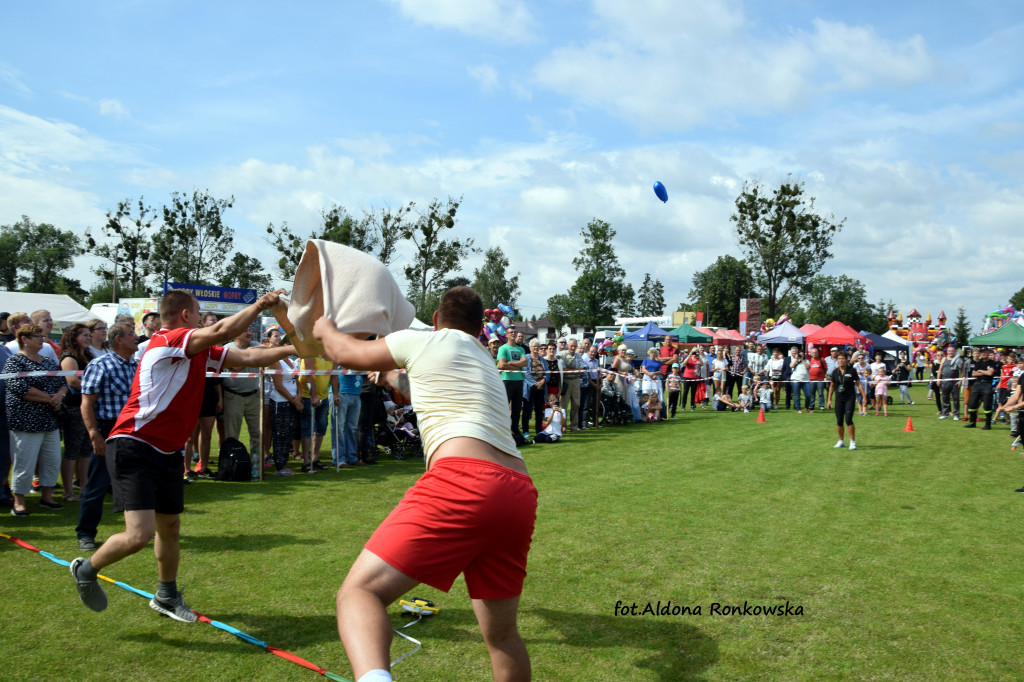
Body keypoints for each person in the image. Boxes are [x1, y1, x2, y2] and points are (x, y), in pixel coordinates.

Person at [312, 286, 537, 682]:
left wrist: (325, 327)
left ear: (436, 319)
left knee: (359, 593)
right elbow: (428, 388)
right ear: (480, 328)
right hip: (517, 491)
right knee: (502, 635)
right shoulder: (483, 359)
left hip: (463, 480)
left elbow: (342, 353)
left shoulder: (423, 341)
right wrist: (390, 378)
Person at [69, 288, 295, 622]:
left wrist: (300, 349)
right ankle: (86, 569)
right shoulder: (168, 340)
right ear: (186, 316)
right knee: (138, 535)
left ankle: (166, 595)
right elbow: (222, 331)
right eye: (198, 311)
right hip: (135, 443)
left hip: (168, 450)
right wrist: (261, 304)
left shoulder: (199, 350)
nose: (204, 319)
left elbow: (249, 358)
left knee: (170, 527)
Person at [76, 322, 139, 551]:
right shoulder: (100, 364)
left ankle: (136, 531)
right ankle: (85, 533)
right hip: (107, 429)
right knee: (97, 483)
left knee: (134, 483)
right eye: (131, 334)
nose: (136, 337)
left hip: (133, 430)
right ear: (118, 339)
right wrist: (94, 434)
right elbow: (87, 403)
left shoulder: (138, 366)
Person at [4, 323, 68, 516]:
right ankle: (19, 501)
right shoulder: (15, 362)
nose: (43, 339)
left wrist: (60, 396)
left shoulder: (48, 361)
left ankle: (47, 497)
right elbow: (20, 388)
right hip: (25, 421)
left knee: (52, 460)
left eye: (42, 336)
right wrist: (50, 398)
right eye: (38, 336)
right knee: (24, 462)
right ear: (24, 339)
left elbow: (62, 382)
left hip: (49, 420)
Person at [58, 323, 95, 501]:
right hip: (74, 408)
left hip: (88, 406)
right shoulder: (68, 357)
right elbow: (73, 382)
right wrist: (94, 390)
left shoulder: (88, 355)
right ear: (73, 337)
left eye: (89, 335)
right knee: (72, 449)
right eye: (84, 335)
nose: (88, 338)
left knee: (86, 449)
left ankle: (84, 487)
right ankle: (68, 491)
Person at [222, 329, 264, 461]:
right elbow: (237, 366)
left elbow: (270, 354)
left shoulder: (256, 345)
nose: (249, 333)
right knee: (232, 435)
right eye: (244, 330)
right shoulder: (228, 349)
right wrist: (253, 356)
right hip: (233, 397)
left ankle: (256, 464)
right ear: (236, 334)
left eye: (250, 330)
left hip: (254, 397)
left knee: (257, 433)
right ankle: (232, 464)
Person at [827, 351, 867, 450]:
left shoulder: (852, 370)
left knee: (848, 419)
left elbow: (858, 384)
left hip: (850, 398)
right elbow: (832, 387)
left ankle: (852, 441)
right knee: (839, 420)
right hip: (839, 399)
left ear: (846, 360)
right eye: (839, 359)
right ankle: (841, 441)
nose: (841, 360)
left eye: (843, 359)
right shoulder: (835, 372)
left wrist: (864, 397)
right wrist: (829, 400)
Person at [497, 325, 529, 445]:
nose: (513, 334)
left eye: (515, 332)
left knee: (516, 408)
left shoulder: (520, 349)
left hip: (519, 381)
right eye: (511, 332)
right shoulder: (503, 348)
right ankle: (503, 430)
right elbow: (502, 365)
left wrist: (511, 363)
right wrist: (517, 364)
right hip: (507, 380)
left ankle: (514, 429)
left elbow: (524, 362)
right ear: (506, 335)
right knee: (505, 407)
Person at [964, 347, 997, 429]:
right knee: (972, 404)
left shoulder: (992, 362)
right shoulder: (979, 362)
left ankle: (988, 424)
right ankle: (972, 422)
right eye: (982, 352)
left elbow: (990, 373)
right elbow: (973, 374)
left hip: (987, 384)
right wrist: (984, 372)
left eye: (985, 352)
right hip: (978, 384)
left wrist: (981, 371)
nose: (983, 353)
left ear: (988, 353)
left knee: (987, 406)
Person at [557, 338, 582, 433]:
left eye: (575, 346)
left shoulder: (579, 356)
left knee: (576, 404)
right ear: (567, 345)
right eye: (571, 346)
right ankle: (563, 426)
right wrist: (574, 369)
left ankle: (574, 426)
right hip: (565, 381)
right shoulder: (562, 355)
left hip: (576, 381)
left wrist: (571, 369)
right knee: (563, 405)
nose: (573, 348)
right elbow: (562, 368)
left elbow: (581, 368)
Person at [937, 346, 964, 420]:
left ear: (955, 351)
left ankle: (956, 415)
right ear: (947, 352)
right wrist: (938, 379)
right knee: (945, 398)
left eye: (952, 351)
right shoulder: (944, 359)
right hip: (945, 381)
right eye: (949, 351)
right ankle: (945, 414)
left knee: (956, 399)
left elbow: (962, 370)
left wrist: (960, 380)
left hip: (955, 382)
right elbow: (940, 370)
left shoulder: (958, 359)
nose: (951, 352)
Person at [806, 347, 826, 413]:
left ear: (818, 353)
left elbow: (825, 368)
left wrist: (823, 375)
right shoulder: (809, 360)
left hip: (820, 379)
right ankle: (811, 406)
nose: (814, 354)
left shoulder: (821, 359)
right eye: (813, 352)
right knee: (812, 393)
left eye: (815, 352)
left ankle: (821, 406)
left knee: (820, 393)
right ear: (811, 353)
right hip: (811, 379)